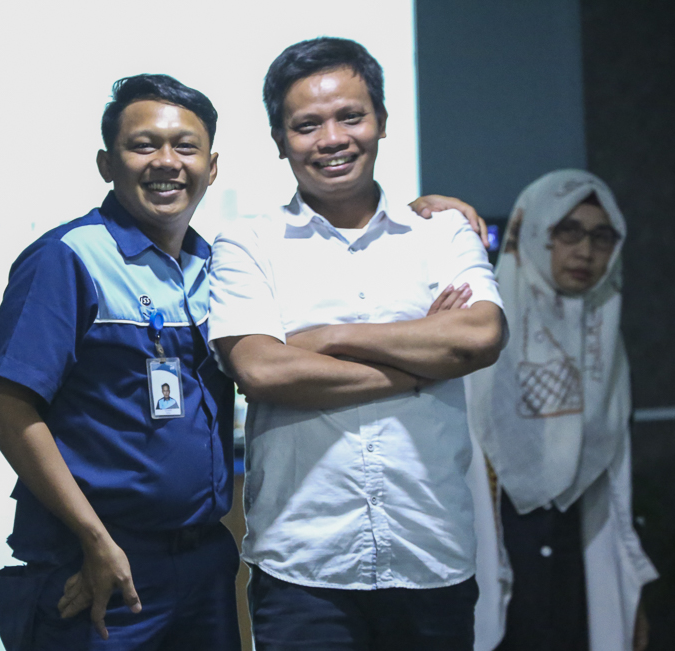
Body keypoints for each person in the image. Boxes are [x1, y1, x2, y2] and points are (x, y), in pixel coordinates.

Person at [208, 37, 506, 651]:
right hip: (304, 566)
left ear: (383, 121)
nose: (332, 139)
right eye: (307, 125)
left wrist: (330, 338)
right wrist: (420, 363)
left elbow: (480, 334)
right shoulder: (247, 243)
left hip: (431, 553)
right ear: (279, 139)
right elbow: (263, 371)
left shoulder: (441, 231)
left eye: (351, 116)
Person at [0, 74, 241, 651]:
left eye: (186, 147)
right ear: (106, 164)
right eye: (143, 145)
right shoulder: (68, 257)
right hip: (101, 560)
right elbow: (4, 409)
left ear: (212, 166)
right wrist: (95, 539)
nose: (166, 162)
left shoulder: (215, 266)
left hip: (204, 559)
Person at [460, 170, 658, 651]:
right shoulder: (475, 330)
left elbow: (616, 483)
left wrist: (629, 593)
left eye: (602, 236)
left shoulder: (606, 344)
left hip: (578, 567)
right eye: (568, 231)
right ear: (532, 231)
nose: (585, 251)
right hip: (496, 557)